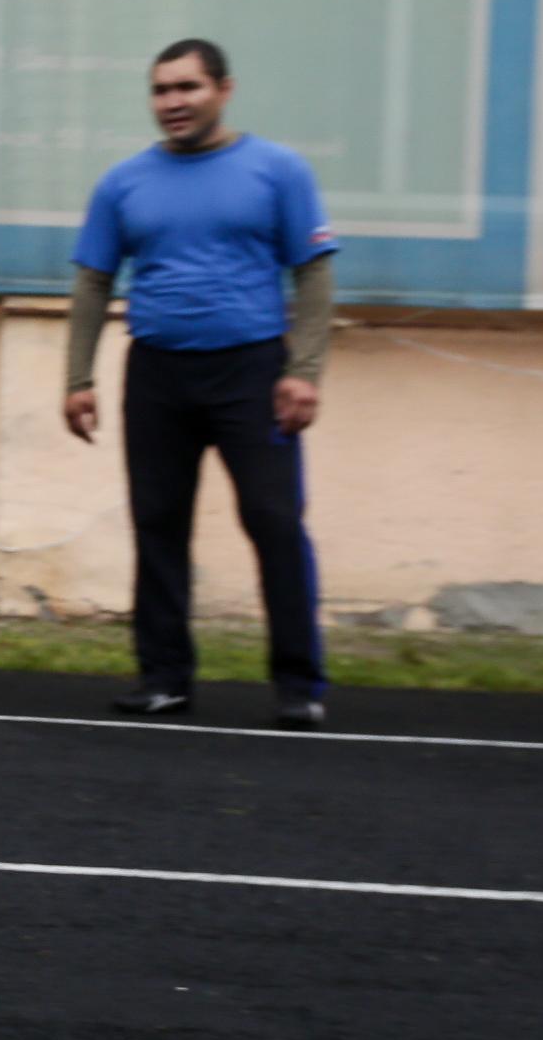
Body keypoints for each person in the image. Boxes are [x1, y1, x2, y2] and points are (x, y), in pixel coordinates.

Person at [58, 39, 338, 730]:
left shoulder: (278, 170)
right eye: (160, 91)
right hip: (155, 373)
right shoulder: (123, 182)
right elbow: (94, 281)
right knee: (158, 526)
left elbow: (314, 273)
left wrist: (303, 372)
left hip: (253, 372)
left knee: (274, 521)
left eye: (187, 88)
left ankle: (299, 684)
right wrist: (78, 378)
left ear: (224, 89)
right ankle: (164, 679)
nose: (172, 103)